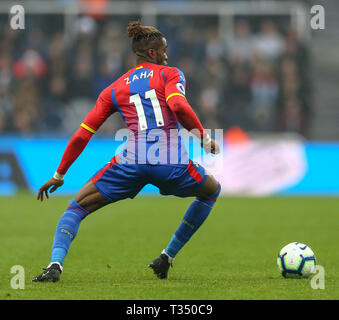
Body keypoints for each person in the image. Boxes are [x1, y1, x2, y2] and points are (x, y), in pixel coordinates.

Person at [32, 21, 221, 282]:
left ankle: (54, 265)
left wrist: (59, 174)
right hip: (170, 161)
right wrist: (203, 137)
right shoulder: (171, 74)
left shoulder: (114, 88)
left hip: (130, 162)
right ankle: (167, 256)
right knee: (211, 192)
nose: (167, 55)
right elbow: (178, 106)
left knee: (74, 209)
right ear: (153, 53)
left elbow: (82, 134)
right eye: (164, 51)